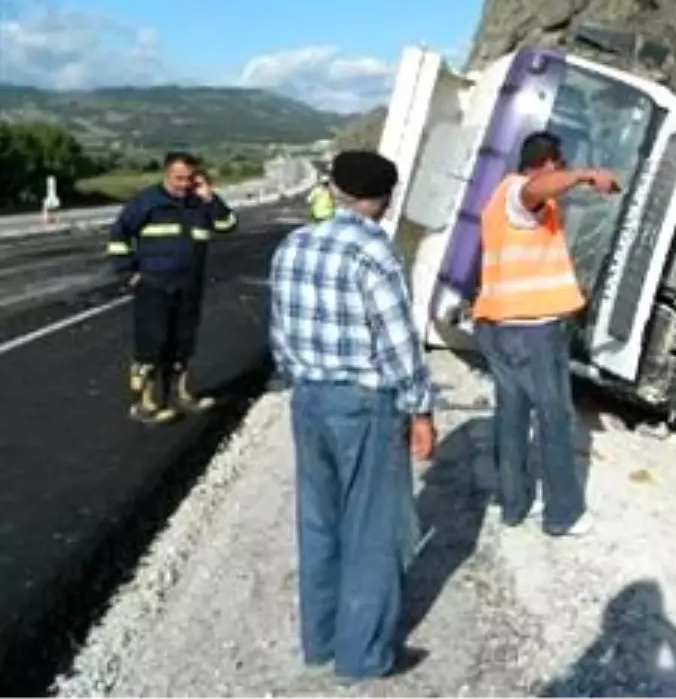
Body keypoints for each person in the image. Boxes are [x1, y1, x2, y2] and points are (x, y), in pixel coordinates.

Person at [268, 149, 435, 683]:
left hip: (308, 398)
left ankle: (319, 641)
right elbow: (399, 342)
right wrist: (420, 409)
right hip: (363, 406)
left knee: (318, 522)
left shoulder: (293, 245)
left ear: (337, 188)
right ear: (383, 200)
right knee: (371, 530)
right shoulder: (373, 251)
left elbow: (278, 331)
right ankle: (361, 658)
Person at [472, 131, 620, 537]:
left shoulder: (500, 203)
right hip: (533, 332)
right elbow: (536, 188)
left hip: (500, 327)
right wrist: (587, 173)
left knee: (512, 415)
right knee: (555, 419)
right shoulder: (520, 193)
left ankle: (514, 503)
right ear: (549, 163)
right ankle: (562, 514)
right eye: (561, 165)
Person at [107, 152, 237, 424]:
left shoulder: (199, 203)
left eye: (189, 178)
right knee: (152, 345)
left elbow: (228, 225)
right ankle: (147, 405)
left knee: (183, 344)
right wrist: (127, 271)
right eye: (178, 178)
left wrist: (210, 197)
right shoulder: (148, 202)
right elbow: (119, 233)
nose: (183, 184)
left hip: (188, 286)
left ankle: (181, 395)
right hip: (154, 286)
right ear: (166, 174)